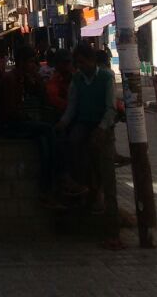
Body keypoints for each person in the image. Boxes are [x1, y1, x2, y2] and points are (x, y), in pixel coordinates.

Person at [0, 45, 72, 206]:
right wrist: (28, 117)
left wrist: (36, 81)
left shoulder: (25, 78)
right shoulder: (10, 80)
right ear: (21, 62)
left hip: (21, 124)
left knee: (45, 141)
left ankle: (50, 185)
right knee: (46, 130)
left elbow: (43, 98)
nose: (33, 65)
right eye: (31, 62)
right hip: (9, 126)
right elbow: (10, 111)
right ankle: (56, 179)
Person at [57, 43, 117, 214]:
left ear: (92, 61)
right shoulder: (77, 79)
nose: (80, 67)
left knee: (101, 161)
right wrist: (63, 122)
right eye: (77, 63)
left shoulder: (106, 78)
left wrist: (101, 128)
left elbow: (110, 108)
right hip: (83, 124)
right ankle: (79, 185)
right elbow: (72, 106)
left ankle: (101, 195)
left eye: (82, 62)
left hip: (102, 126)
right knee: (72, 144)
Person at [43, 51, 74, 122]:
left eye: (68, 62)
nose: (67, 65)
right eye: (64, 63)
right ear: (56, 65)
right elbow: (54, 99)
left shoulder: (77, 77)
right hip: (62, 116)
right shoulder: (54, 80)